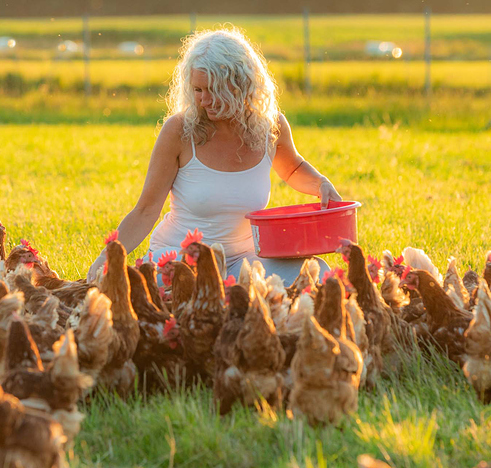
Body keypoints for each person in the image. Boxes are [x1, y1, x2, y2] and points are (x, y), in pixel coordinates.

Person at [86, 28, 342, 284]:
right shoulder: (178, 131)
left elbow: (293, 168)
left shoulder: (270, 127)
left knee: (317, 273)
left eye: (214, 90)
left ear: (241, 85)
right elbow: (145, 210)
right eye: (197, 90)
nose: (204, 100)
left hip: (243, 260)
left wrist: (320, 184)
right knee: (194, 301)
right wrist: (106, 258)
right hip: (183, 262)